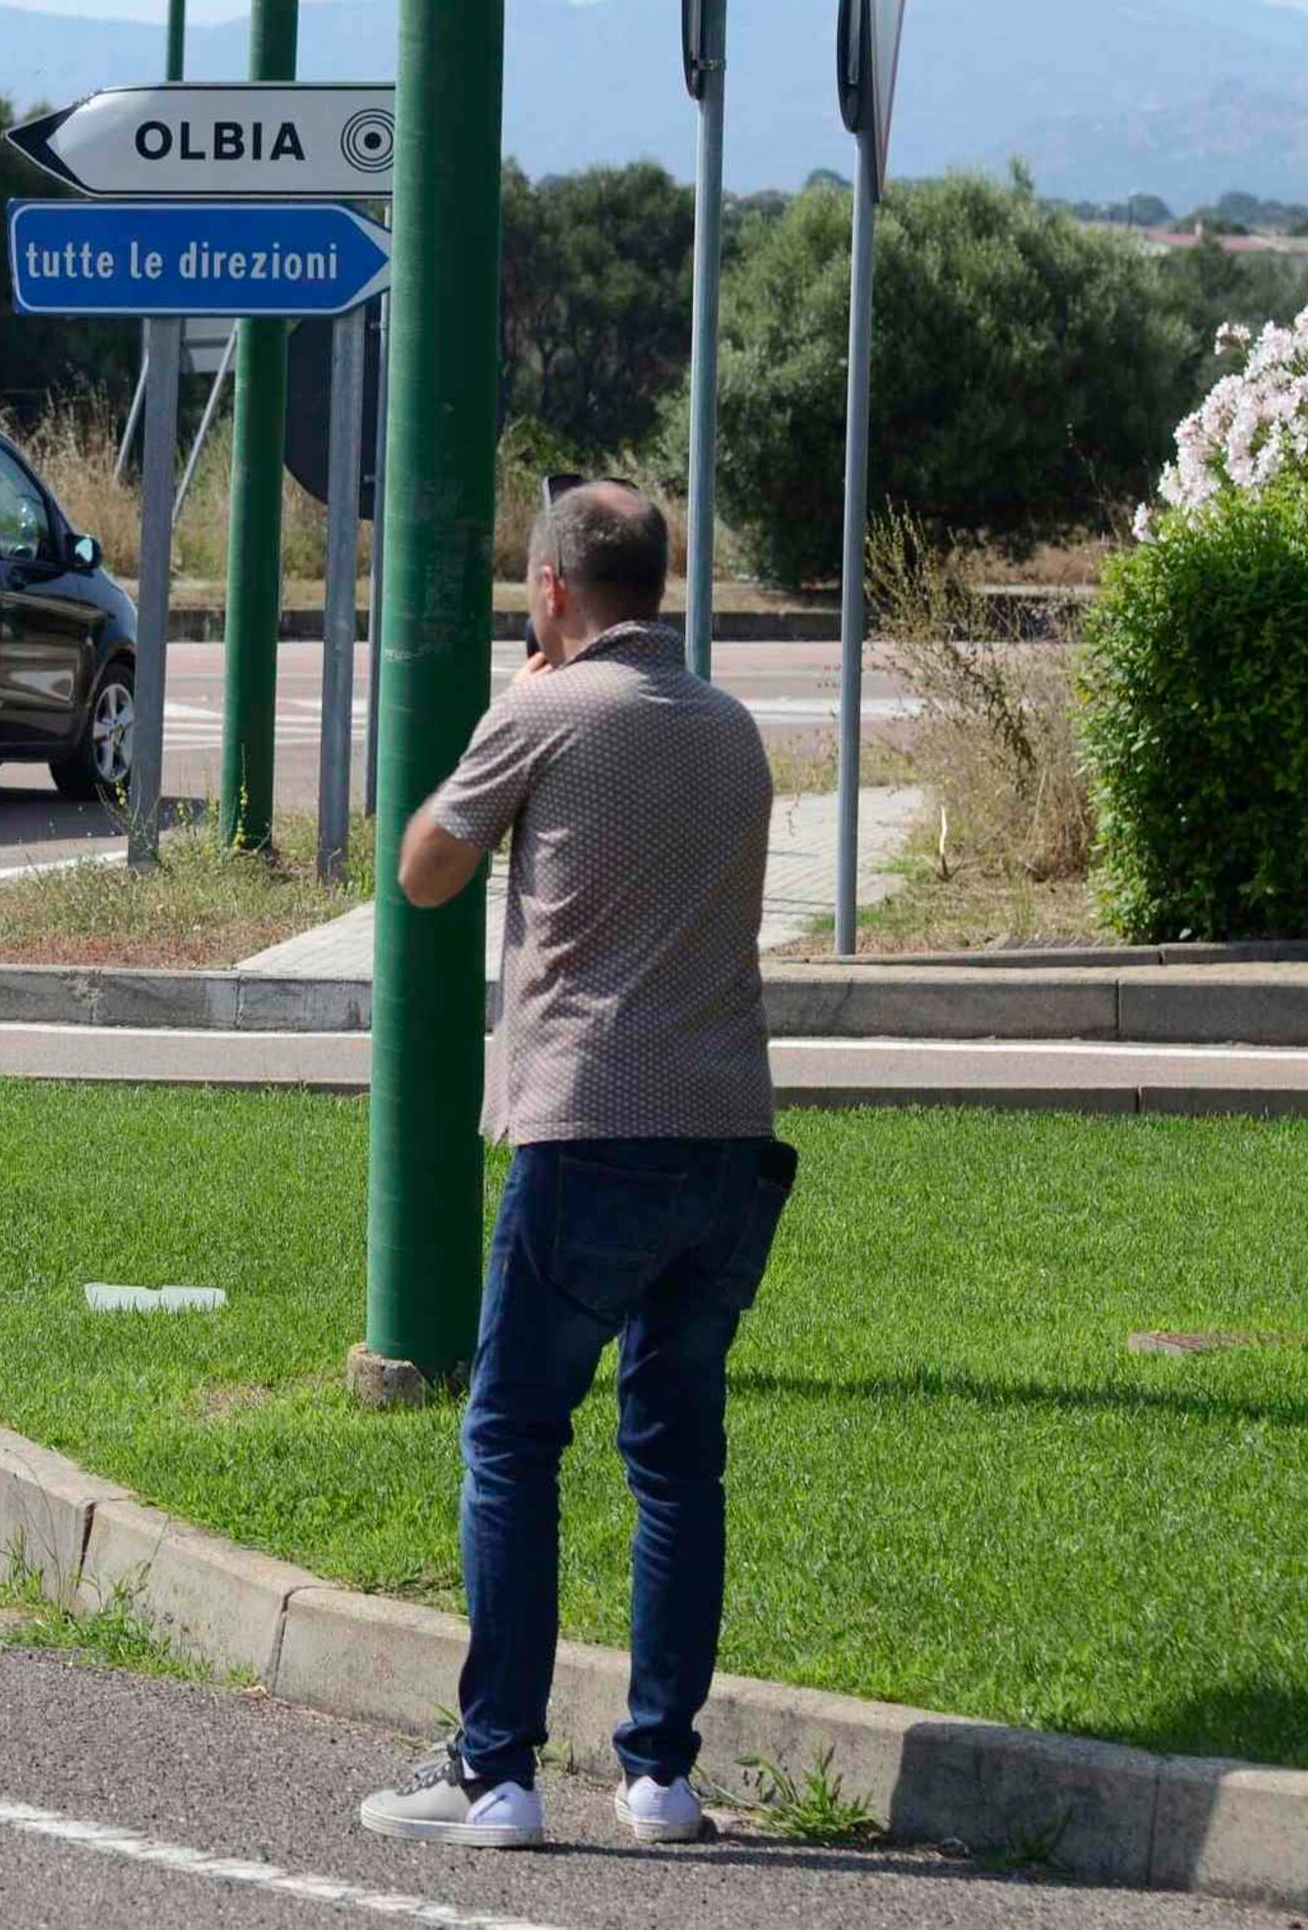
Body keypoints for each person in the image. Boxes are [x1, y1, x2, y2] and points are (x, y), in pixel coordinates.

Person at [359, 480, 797, 1851]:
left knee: (513, 1435)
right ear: (658, 585)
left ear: (552, 590)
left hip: (588, 1123)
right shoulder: (732, 730)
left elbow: (423, 870)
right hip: (728, 1133)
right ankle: (661, 1772)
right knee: (677, 1457)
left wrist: (512, 709)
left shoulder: (540, 712)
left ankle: (496, 1771)